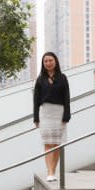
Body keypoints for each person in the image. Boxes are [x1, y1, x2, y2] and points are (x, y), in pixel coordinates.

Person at [33, 52, 71, 182]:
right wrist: (36, 118)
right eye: (46, 61)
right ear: (43, 64)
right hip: (45, 113)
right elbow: (36, 100)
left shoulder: (63, 78)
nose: (48, 63)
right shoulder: (40, 79)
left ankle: (53, 170)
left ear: (55, 62)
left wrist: (67, 115)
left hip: (59, 113)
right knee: (48, 143)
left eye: (51, 60)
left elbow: (67, 97)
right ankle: (49, 171)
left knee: (57, 144)